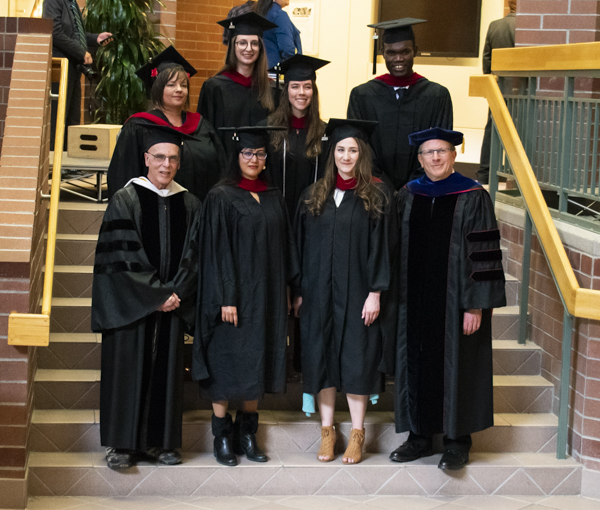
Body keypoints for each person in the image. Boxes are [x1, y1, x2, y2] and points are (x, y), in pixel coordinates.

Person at [390, 127, 506, 471]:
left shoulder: (472, 195)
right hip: (414, 304)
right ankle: (419, 437)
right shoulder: (408, 195)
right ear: (420, 159)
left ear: (455, 155)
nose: (436, 158)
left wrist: (475, 304)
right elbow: (395, 251)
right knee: (415, 363)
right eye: (428, 153)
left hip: (457, 305)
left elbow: (483, 254)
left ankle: (457, 442)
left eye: (442, 151)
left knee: (459, 366)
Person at [91, 128, 202, 470]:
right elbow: (121, 257)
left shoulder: (191, 203)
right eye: (159, 158)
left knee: (165, 373)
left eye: (172, 159)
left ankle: (161, 442)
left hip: (170, 305)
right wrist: (155, 295)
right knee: (126, 369)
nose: (165, 165)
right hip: (132, 309)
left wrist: (176, 293)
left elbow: (196, 256)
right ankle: (121, 446)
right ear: (146, 160)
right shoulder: (126, 199)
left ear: (179, 163)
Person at [193, 126, 298, 467]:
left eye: (260, 154)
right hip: (232, 299)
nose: (254, 160)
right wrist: (226, 297)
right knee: (226, 362)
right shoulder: (221, 197)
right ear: (236, 157)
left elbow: (285, 250)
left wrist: (286, 291)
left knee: (258, 362)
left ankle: (247, 435)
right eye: (248, 154)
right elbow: (215, 253)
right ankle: (222, 436)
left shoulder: (273, 196)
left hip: (266, 297)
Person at [293, 119, 396, 465]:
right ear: (331, 153)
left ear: (361, 153)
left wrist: (376, 292)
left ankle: (356, 433)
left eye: (352, 149)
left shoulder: (376, 196)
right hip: (318, 294)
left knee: (356, 361)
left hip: (357, 295)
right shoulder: (314, 195)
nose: (346, 156)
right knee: (321, 358)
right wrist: (299, 290)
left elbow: (383, 249)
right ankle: (327, 432)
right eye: (340, 149)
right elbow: (300, 247)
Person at [107, 46, 226, 201]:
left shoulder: (201, 125)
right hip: (153, 215)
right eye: (171, 85)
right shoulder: (139, 126)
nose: (179, 90)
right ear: (157, 88)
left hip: (201, 213)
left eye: (183, 85)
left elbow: (222, 168)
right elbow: (122, 177)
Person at [347, 18, 453, 191]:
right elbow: (360, 144)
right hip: (375, 189)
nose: (398, 59)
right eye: (391, 53)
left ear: (415, 51)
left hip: (421, 190)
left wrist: (413, 185)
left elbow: (440, 145)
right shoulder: (362, 95)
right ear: (383, 53)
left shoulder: (436, 96)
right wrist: (380, 183)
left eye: (405, 52)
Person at [197, 12, 277, 157]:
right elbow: (205, 135)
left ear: (260, 48)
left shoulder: (272, 89)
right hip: (223, 167)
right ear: (233, 46)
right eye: (242, 43)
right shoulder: (214, 87)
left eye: (254, 43)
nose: (248, 48)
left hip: (261, 167)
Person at [264, 54, 329, 215]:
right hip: (276, 215)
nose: (301, 92)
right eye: (295, 86)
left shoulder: (325, 133)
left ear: (313, 91)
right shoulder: (269, 129)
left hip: (312, 215)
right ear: (286, 91)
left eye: (307, 86)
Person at [42, 0, 112, 149]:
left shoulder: (71, 2)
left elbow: (74, 35)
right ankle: (54, 165)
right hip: (60, 67)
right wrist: (81, 52)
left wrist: (95, 38)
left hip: (74, 69)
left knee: (72, 120)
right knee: (58, 119)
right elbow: (55, 31)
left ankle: (68, 164)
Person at [478, 0, 517, 184]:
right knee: (519, 131)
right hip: (522, 89)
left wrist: (490, 80)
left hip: (498, 87)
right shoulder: (526, 27)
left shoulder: (495, 26)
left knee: (491, 130)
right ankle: (513, 173)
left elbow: (487, 58)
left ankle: (485, 173)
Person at [253, 0, 302, 69]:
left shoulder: (260, 13)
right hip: (275, 70)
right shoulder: (280, 15)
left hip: (260, 68)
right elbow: (287, 47)